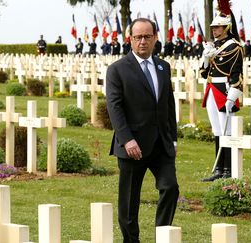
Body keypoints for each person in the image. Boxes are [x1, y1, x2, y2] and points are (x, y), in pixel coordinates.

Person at [106, 18, 179, 243]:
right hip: (132, 146)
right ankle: (131, 240)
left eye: (147, 36)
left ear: (156, 38)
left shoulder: (163, 67)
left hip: (160, 144)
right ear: (130, 40)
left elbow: (168, 105)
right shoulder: (117, 70)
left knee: (170, 188)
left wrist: (173, 139)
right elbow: (114, 108)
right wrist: (127, 140)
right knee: (129, 201)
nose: (143, 41)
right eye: (138, 37)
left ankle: (162, 236)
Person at [200, 4, 243, 182]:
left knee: (228, 131)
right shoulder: (213, 46)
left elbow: (237, 74)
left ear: (226, 28)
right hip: (211, 89)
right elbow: (204, 73)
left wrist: (232, 96)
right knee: (218, 131)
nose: (214, 30)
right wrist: (205, 58)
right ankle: (219, 169)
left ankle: (228, 169)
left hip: (225, 91)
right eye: (212, 27)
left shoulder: (234, 47)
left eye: (217, 27)